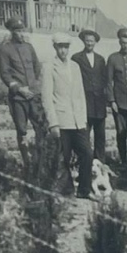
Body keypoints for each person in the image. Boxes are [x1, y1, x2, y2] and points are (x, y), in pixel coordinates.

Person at [43, 32, 93, 199]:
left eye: (66, 47)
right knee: (63, 157)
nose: (63, 51)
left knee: (87, 153)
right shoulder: (49, 67)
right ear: (55, 47)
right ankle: (67, 190)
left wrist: (83, 120)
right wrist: (53, 123)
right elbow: (46, 97)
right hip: (61, 120)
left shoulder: (75, 67)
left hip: (77, 120)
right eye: (60, 47)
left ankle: (84, 191)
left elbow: (80, 95)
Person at [0, 18, 44, 177]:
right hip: (18, 98)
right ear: (11, 32)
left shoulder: (29, 47)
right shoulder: (5, 50)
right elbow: (5, 74)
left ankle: (40, 161)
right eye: (18, 31)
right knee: (22, 130)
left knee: (41, 127)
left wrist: (33, 86)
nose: (22, 34)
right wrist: (20, 89)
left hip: (33, 96)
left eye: (23, 30)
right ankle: (26, 163)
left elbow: (36, 67)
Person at [73, 29, 111, 164]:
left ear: (95, 42)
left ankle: (100, 161)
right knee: (84, 134)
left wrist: (106, 98)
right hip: (85, 102)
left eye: (92, 41)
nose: (89, 43)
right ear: (83, 41)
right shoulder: (76, 58)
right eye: (87, 40)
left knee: (100, 135)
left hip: (99, 103)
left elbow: (105, 79)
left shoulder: (100, 59)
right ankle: (84, 161)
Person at [106, 27, 127, 167]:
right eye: (123, 43)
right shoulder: (113, 59)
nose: (125, 46)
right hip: (119, 104)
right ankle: (123, 161)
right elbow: (108, 81)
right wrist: (112, 100)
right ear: (119, 42)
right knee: (121, 133)